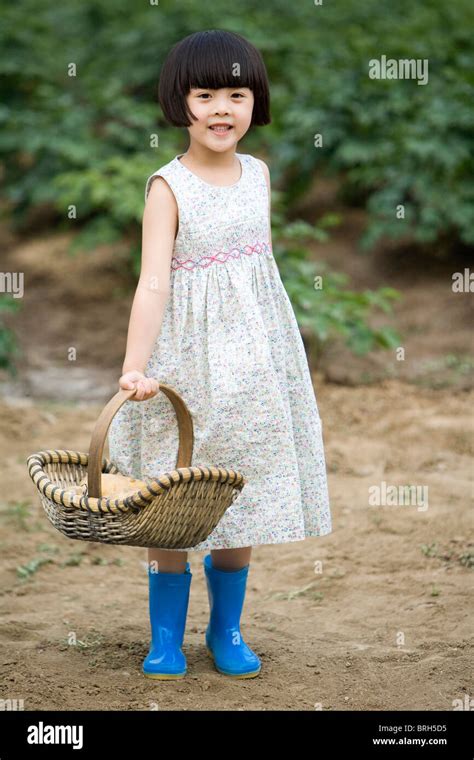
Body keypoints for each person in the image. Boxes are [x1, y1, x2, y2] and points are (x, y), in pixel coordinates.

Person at [108, 29, 332, 681]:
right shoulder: (167, 186)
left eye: (236, 93)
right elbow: (154, 282)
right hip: (184, 360)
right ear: (180, 103)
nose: (221, 108)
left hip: (254, 362)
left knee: (239, 484)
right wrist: (136, 365)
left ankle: (227, 629)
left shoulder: (257, 174)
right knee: (173, 489)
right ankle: (165, 638)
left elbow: (256, 274)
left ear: (255, 102)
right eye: (205, 94)